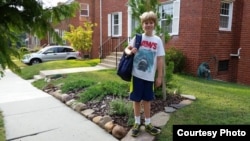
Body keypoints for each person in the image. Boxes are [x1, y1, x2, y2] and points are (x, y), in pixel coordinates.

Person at [124, 11, 165, 137]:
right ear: (142, 25)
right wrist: (130, 52)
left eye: (151, 23)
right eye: (146, 23)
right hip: (136, 75)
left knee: (147, 100)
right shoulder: (138, 38)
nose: (148, 25)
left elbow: (160, 59)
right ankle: (137, 123)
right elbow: (126, 49)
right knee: (136, 100)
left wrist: (159, 77)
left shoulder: (157, 40)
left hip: (149, 77)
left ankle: (147, 123)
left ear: (154, 24)